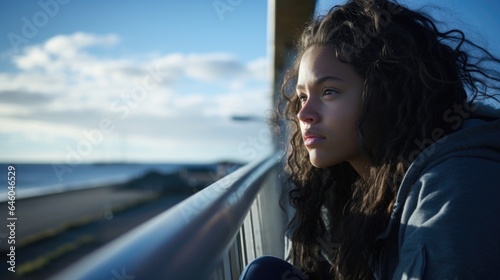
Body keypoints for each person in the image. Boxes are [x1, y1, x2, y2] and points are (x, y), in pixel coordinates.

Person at [240, 0, 500, 279]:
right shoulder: (355, 186)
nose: (304, 113)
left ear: (388, 94)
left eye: (329, 91)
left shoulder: (459, 184)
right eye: (303, 96)